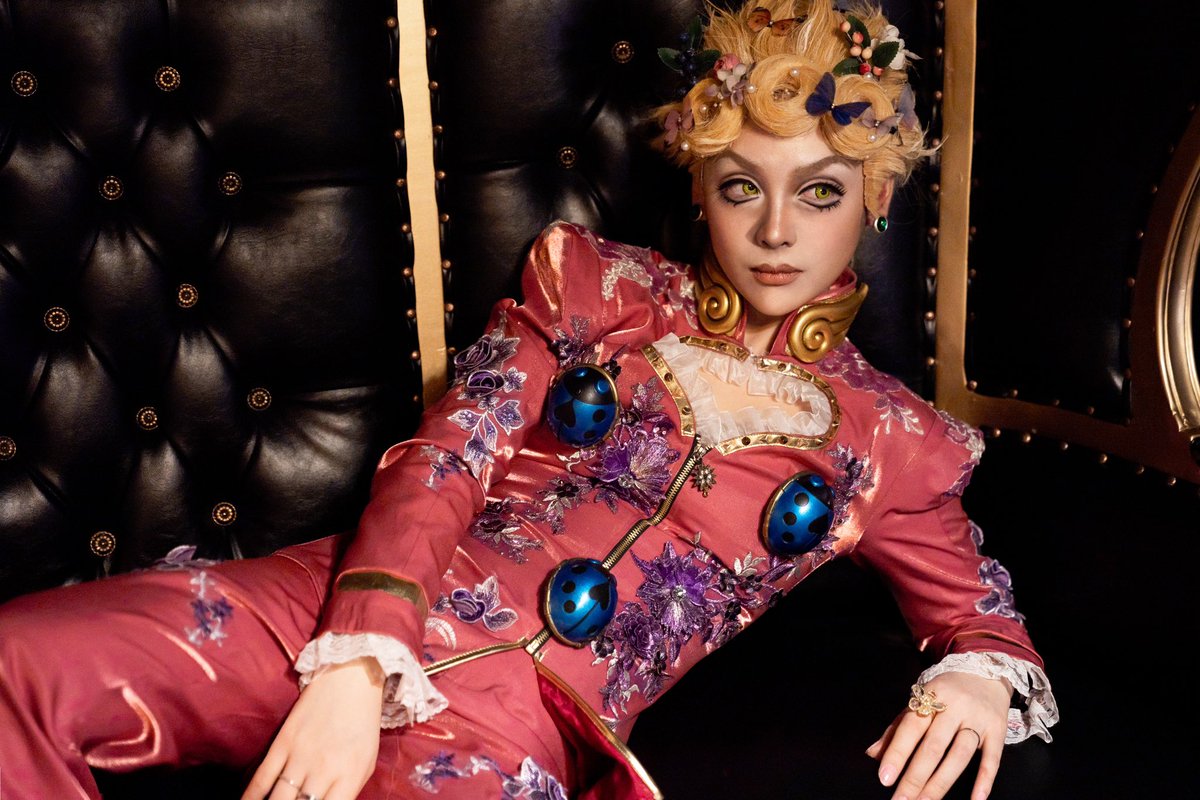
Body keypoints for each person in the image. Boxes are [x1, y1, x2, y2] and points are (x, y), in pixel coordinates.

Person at [0, 2, 1057, 799]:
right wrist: (360, 659)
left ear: (877, 195)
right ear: (701, 187)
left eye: (820, 191)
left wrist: (974, 678)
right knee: (15, 667)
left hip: (508, 727)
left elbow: (981, 620)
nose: (777, 230)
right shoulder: (595, 286)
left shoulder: (894, 438)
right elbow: (449, 452)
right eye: (743, 185)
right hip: (334, 609)